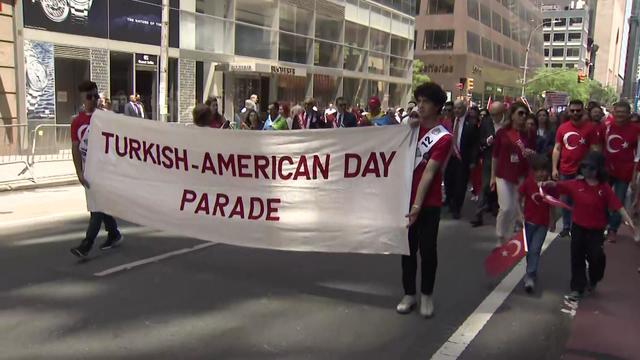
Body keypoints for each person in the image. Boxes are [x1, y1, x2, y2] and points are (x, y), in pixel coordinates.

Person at [542, 151, 636, 302]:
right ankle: (577, 288)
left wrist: (630, 222)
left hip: (596, 230)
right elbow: (558, 185)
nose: (587, 171)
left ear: (598, 169)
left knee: (596, 257)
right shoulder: (576, 184)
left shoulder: (604, 188)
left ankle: (594, 278)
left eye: (591, 168)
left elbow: (618, 206)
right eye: (584, 167)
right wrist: (548, 183)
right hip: (578, 228)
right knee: (577, 257)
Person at [397, 82, 452, 318]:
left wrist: (417, 205)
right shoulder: (409, 128)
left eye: (426, 101)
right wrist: (405, 125)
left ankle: (426, 294)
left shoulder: (443, 137)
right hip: (403, 197)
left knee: (428, 250)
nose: (420, 105)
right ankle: (409, 293)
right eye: (418, 100)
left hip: (427, 202)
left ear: (437, 106)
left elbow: (430, 172)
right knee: (407, 249)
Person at [70, 81, 122, 258]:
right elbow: (75, 148)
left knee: (97, 207)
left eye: (96, 96)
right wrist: (79, 172)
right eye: (90, 97)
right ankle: (114, 233)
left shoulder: (105, 118)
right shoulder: (77, 122)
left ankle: (87, 243)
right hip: (89, 172)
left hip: (105, 171)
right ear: (83, 98)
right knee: (100, 205)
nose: (94, 100)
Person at [552, 100, 600, 237]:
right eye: (572, 110)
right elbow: (557, 148)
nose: (575, 113)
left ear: (583, 111)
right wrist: (554, 168)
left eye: (578, 110)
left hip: (583, 172)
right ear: (568, 111)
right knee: (565, 200)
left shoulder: (590, 128)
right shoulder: (562, 128)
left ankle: (578, 226)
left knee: (582, 200)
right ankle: (567, 226)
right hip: (564, 170)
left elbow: (594, 149)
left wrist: (592, 169)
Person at [491, 102, 532, 247]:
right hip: (503, 174)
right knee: (506, 207)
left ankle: (508, 238)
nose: (523, 116)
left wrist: (530, 154)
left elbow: (532, 154)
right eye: (520, 113)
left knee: (515, 207)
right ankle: (500, 236)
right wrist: (492, 178)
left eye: (525, 114)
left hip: (520, 174)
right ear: (512, 115)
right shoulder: (502, 133)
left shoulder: (528, 133)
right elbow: (495, 156)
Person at [602, 101, 640, 243]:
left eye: (623, 112)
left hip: (624, 172)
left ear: (628, 113)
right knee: (602, 198)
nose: (620, 115)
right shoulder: (606, 126)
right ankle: (603, 225)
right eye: (618, 111)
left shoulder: (636, 130)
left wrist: (634, 175)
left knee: (618, 201)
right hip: (605, 169)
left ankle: (613, 229)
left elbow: (638, 155)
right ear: (613, 112)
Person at [519, 155, 556, 293]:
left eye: (544, 170)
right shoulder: (528, 183)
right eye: (538, 170)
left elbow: (552, 204)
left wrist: (552, 220)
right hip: (528, 222)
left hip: (542, 224)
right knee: (528, 250)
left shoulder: (549, 186)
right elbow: (518, 197)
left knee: (535, 249)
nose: (542, 173)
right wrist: (519, 214)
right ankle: (531, 270)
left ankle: (530, 275)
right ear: (533, 171)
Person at [471, 102, 505, 227]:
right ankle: (478, 214)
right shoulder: (486, 122)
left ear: (503, 113)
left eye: (496, 114)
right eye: (492, 114)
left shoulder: (508, 123)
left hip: (504, 159)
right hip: (489, 157)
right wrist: (486, 141)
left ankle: (499, 211)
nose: (493, 117)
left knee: (503, 186)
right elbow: (479, 140)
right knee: (485, 185)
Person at [444, 101, 479, 219]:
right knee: (448, 181)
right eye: (455, 108)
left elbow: (475, 144)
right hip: (450, 157)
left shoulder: (472, 122)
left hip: (463, 158)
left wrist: (473, 161)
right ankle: (449, 201)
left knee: (460, 185)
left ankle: (456, 208)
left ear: (464, 109)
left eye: (459, 108)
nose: (456, 111)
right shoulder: (451, 120)